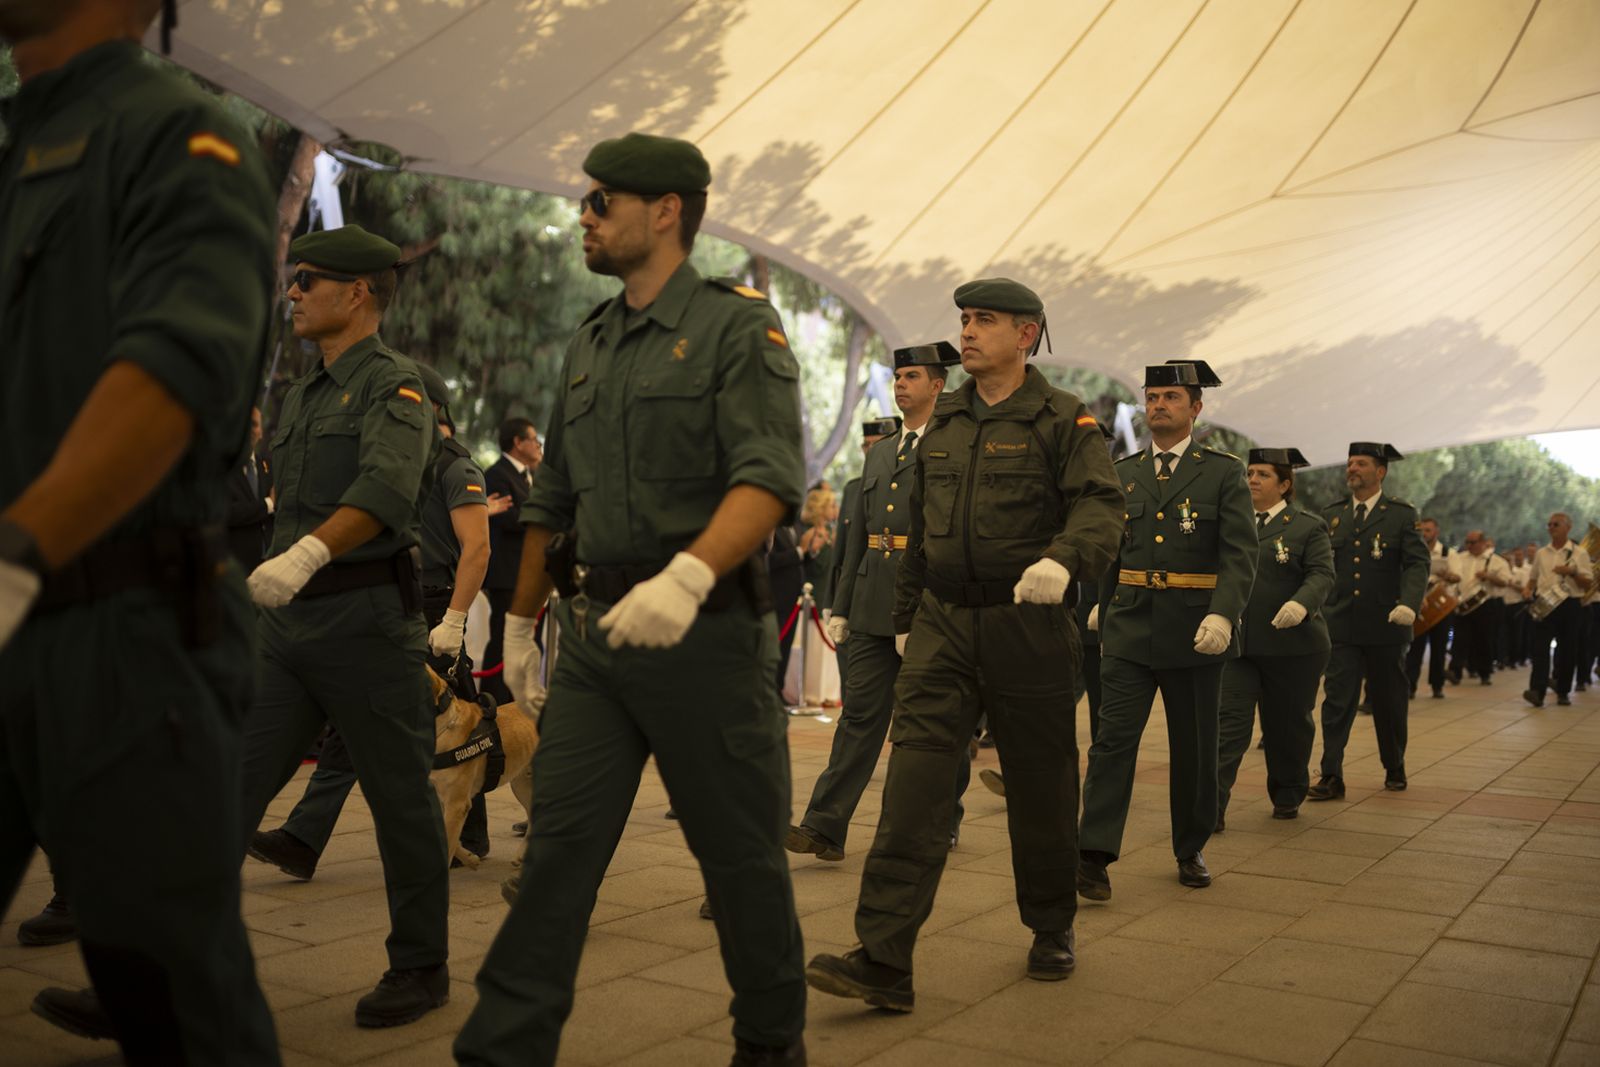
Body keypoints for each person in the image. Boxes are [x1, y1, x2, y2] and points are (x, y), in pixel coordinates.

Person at [452, 132, 807, 1067]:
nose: (584, 216)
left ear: (667, 213)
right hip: (600, 642)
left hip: (706, 638)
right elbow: (555, 500)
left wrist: (687, 575)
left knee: (738, 863)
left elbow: (770, 476)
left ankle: (770, 1045)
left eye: (602, 202)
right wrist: (523, 623)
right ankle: (502, 1045)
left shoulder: (740, 326)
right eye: (585, 201)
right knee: (557, 850)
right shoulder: (591, 340)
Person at [0, 0, 280, 1059]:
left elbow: (175, 367)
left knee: (176, 1002)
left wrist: (15, 554)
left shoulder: (179, 132)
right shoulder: (18, 146)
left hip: (125, 633)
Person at [805, 278, 1123, 1008]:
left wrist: (1064, 560)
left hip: (1029, 621)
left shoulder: (1060, 419)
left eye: (985, 320)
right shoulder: (943, 422)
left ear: (1028, 332)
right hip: (944, 626)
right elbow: (919, 530)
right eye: (965, 319)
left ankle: (1051, 925)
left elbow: (1104, 506)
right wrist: (910, 613)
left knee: (1041, 787)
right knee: (912, 788)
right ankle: (883, 958)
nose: (969, 330)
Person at [236, 224, 452, 1028]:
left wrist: (303, 558)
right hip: (287, 629)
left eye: (307, 280)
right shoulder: (301, 393)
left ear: (357, 293)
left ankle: (421, 965)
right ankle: (157, 967)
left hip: (365, 621)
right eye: (294, 280)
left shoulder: (394, 386)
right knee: (230, 784)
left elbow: (389, 491)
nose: (292, 292)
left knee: (400, 800)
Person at [248, 362, 494, 878]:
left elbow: (477, 548)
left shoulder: (456, 467)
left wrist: (452, 621)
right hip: (390, 602)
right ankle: (306, 837)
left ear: (429, 408)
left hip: (432, 607)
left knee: (462, 721)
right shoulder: (389, 460)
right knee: (365, 721)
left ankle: (458, 832)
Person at [1076, 360, 1257, 899]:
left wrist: (1223, 614)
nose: (1158, 405)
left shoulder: (1223, 472)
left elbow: (1240, 554)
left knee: (1195, 749)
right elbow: (1111, 547)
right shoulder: (1124, 471)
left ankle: (1190, 845)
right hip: (1130, 627)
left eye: (1171, 397)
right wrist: (1102, 607)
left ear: (1195, 408)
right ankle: (1094, 854)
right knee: (1111, 743)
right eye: (1152, 396)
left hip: (1193, 629)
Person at [791, 344, 962, 863]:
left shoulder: (954, 446)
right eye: (898, 376)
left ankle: (942, 817)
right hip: (868, 602)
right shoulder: (883, 451)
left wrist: (923, 609)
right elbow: (858, 533)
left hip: (926, 605)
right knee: (859, 717)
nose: (901, 384)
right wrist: (840, 606)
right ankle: (824, 826)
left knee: (933, 722)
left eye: (912, 376)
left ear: (937, 385)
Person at [1215, 448, 1332, 826]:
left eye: (1262, 474)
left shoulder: (1307, 526)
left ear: (1285, 484)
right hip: (1239, 646)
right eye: (1249, 473)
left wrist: (1302, 604)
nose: (1252, 480)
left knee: (1287, 728)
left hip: (1292, 648)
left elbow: (1322, 574)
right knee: (1227, 727)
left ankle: (1287, 794)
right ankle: (1210, 807)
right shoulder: (1232, 521)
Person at [1308, 443, 1429, 800]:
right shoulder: (1333, 515)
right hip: (1341, 624)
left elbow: (1417, 564)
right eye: (1349, 463)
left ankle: (1394, 765)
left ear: (1381, 471)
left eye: (1361, 463)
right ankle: (1331, 774)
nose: (1352, 469)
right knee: (1336, 702)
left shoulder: (1401, 515)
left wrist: (1409, 603)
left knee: (1389, 701)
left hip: (1386, 625)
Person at [481, 417, 541, 704]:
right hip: (507, 574)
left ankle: (519, 704)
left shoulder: (530, 476)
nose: (539, 444)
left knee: (528, 641)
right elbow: (510, 519)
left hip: (527, 573)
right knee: (502, 641)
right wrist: (542, 516)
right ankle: (493, 705)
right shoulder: (497, 474)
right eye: (534, 438)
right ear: (518, 442)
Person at [1523, 512, 1593, 708]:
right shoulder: (1541, 553)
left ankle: (1562, 691)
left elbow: (1587, 584)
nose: (1551, 528)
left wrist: (1572, 572)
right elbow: (1533, 577)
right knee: (1539, 649)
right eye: (1549, 525)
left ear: (1567, 528)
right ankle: (1537, 691)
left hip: (1569, 604)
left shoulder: (1579, 553)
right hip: (1544, 603)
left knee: (1567, 650)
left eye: (1556, 524)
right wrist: (1528, 589)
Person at [1448, 530, 1512, 686]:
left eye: (1473, 542)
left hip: (1485, 604)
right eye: (1467, 542)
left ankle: (1485, 672)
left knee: (1483, 639)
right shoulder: (1460, 558)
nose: (1469, 546)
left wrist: (1489, 577)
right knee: (1459, 639)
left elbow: (1505, 582)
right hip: (1462, 603)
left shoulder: (1496, 561)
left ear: (1483, 543)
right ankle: (1455, 671)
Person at [1404, 517, 1453, 700]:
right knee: (1415, 646)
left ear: (1436, 532)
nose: (1425, 534)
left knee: (1439, 648)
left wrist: (1447, 575)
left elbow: (1458, 577)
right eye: (1422, 530)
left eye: (1428, 530)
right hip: (1419, 603)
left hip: (1440, 606)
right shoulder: (1413, 551)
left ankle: (1437, 685)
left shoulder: (1447, 552)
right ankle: (1410, 685)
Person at [225, 405, 275, 571]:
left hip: (269, 563)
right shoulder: (220, 469)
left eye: (254, 424)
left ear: (261, 432)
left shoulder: (268, 466)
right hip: (234, 566)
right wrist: (268, 504)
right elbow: (226, 512)